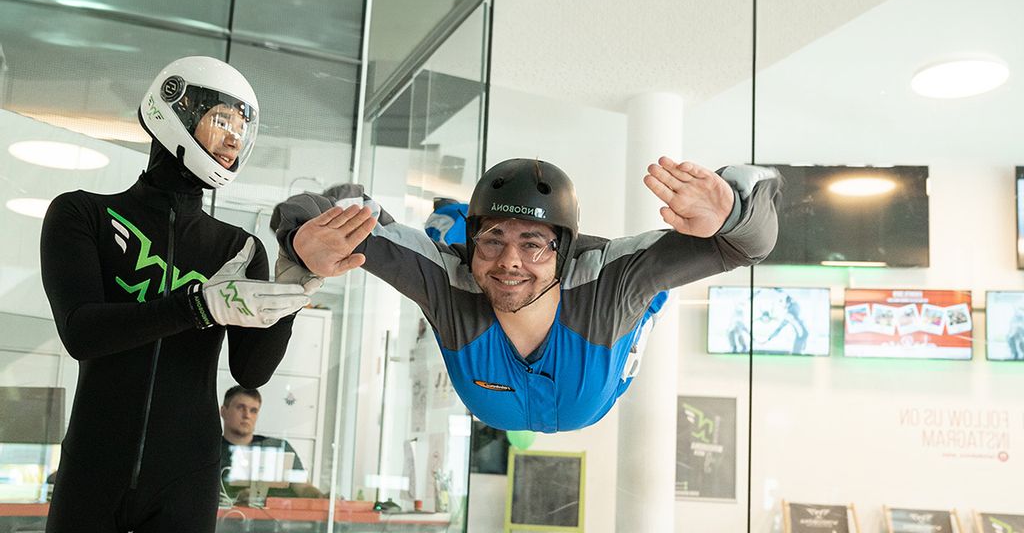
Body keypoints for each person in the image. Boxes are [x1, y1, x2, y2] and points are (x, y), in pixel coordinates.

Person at [39, 56, 370, 533]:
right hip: (93, 467)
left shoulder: (238, 249)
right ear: (172, 106)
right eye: (221, 120)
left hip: (187, 475)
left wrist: (294, 288)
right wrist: (197, 305)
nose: (234, 138)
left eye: (242, 128)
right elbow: (81, 333)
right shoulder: (83, 214)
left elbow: (250, 370)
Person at [272, 157, 780, 433]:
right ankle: (449, 224)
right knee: (390, 232)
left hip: (595, 386)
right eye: (492, 240)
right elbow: (323, 208)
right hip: (500, 406)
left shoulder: (611, 280)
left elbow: (748, 246)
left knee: (659, 280)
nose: (509, 261)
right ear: (472, 243)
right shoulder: (449, 280)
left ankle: (643, 303)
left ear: (562, 251)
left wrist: (732, 212)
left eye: (533, 245)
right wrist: (302, 238)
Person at [219, 386, 322, 502]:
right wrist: (236, 499)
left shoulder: (279, 448)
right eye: (240, 408)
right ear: (223, 412)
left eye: (253, 411)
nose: (247, 415)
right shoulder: (209, 452)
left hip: (278, 519)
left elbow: (303, 488)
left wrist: (322, 497)